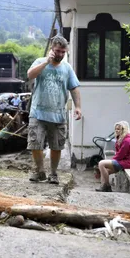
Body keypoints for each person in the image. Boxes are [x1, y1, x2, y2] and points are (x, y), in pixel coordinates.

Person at [27, 35, 82, 185]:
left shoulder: (67, 68)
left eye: (63, 52)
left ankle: (53, 173)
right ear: (52, 49)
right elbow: (30, 75)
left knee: (56, 146)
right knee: (35, 144)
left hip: (58, 114)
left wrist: (77, 107)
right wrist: (46, 62)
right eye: (58, 51)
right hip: (37, 112)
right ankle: (39, 171)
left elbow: (74, 87)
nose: (60, 54)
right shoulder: (40, 62)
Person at [95, 121, 130, 192]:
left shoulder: (127, 140)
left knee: (101, 163)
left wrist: (112, 160)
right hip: (123, 161)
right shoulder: (121, 138)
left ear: (123, 130)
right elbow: (119, 153)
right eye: (116, 129)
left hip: (127, 162)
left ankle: (107, 186)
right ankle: (103, 186)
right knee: (105, 170)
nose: (116, 130)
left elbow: (120, 155)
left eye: (118, 129)